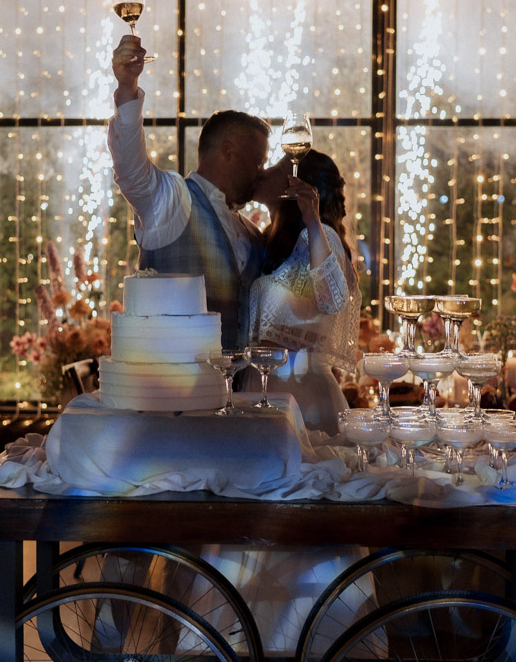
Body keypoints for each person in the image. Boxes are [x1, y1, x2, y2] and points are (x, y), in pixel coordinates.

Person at [109, 35, 270, 349]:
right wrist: (127, 88)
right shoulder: (173, 200)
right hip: (170, 377)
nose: (261, 172)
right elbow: (131, 170)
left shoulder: (253, 233)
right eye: (258, 161)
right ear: (228, 152)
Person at [243, 151, 360, 433]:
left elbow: (333, 300)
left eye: (276, 169)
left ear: (297, 186)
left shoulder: (319, 236)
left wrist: (313, 220)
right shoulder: (275, 238)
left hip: (302, 400)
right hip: (268, 389)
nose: (264, 172)